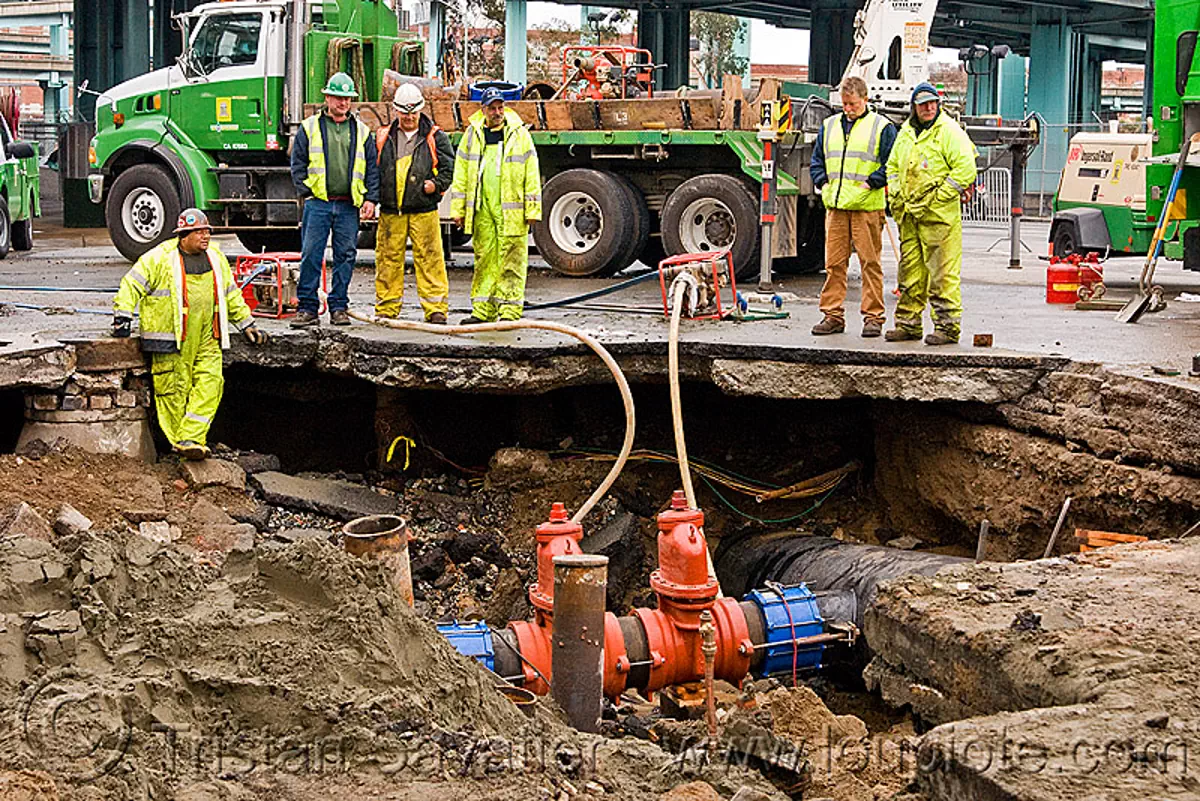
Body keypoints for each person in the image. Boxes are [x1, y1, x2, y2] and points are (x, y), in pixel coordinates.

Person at [112, 209, 268, 460]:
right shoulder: (159, 258)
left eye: (208, 231)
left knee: (211, 382)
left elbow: (230, 294)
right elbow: (132, 285)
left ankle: (192, 437)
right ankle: (180, 444)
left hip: (208, 336)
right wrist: (123, 316)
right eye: (200, 232)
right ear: (184, 235)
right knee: (174, 391)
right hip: (171, 338)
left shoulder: (215, 258)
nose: (206, 236)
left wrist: (247, 323)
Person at [884, 82, 977, 345]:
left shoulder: (948, 131)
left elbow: (965, 168)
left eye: (933, 102)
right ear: (914, 106)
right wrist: (896, 195)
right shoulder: (906, 133)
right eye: (923, 103)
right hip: (910, 214)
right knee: (910, 271)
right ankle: (908, 324)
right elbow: (892, 165)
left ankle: (947, 328)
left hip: (939, 217)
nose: (929, 107)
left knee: (942, 273)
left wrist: (940, 197)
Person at [290, 71, 380, 328]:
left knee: (346, 255)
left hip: (348, 204)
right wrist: (306, 191)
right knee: (310, 254)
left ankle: (338, 306)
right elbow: (297, 163)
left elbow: (371, 168)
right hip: (318, 202)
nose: (343, 103)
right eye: (338, 98)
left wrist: (370, 199)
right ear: (328, 98)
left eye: (347, 99)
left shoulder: (361, 131)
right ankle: (307, 307)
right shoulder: (309, 128)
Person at [810, 76, 896, 338]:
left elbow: (891, 162)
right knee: (834, 263)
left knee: (870, 263)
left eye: (853, 104)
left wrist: (872, 183)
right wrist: (822, 183)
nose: (848, 109)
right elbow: (818, 160)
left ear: (865, 100)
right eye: (845, 104)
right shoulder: (829, 126)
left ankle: (873, 317)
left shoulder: (882, 127)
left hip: (866, 206)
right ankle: (832, 315)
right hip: (836, 206)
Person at [449, 87, 541, 323]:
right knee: (485, 258)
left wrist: (532, 211)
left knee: (512, 260)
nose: (497, 112)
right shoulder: (473, 134)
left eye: (500, 107)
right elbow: (461, 175)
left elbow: (532, 174)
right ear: (483, 109)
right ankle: (482, 311)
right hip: (482, 209)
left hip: (511, 211)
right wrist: (458, 210)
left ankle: (509, 311)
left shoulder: (519, 134)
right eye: (492, 108)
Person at [375, 83, 455, 323]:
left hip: (423, 210)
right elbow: (373, 169)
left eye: (413, 112)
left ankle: (436, 309)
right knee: (388, 261)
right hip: (391, 212)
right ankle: (387, 309)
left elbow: (448, 168)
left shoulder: (434, 136)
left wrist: (437, 185)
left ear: (420, 110)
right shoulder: (383, 136)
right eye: (404, 112)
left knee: (430, 258)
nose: (409, 117)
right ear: (396, 111)